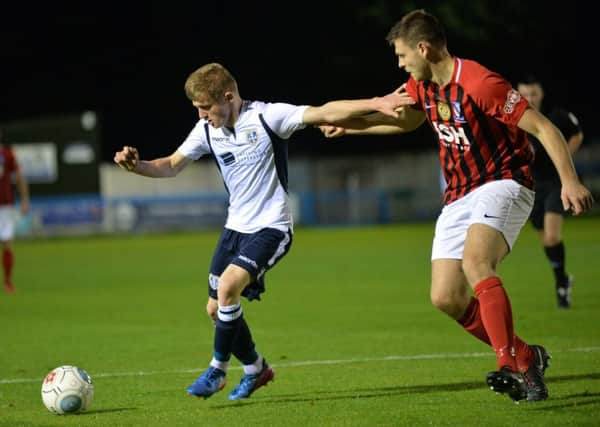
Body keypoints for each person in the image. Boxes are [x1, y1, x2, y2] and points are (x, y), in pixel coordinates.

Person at [319, 9, 594, 402]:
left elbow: (543, 128)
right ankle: (527, 356)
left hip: (504, 181)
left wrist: (569, 180)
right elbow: (407, 122)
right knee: (445, 297)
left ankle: (508, 366)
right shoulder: (423, 86)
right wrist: (351, 127)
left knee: (476, 263)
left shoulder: (481, 83)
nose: (400, 63)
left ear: (423, 48)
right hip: (458, 193)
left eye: (402, 55)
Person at [114, 62, 403, 400]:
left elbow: (324, 111)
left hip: (271, 227)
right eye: (197, 109)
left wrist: (376, 102)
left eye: (206, 107)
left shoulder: (268, 117)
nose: (201, 116)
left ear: (228, 96)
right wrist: (138, 166)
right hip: (234, 229)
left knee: (228, 287)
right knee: (215, 308)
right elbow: (171, 166)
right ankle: (256, 369)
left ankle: (217, 369)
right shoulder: (207, 131)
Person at [516, 75, 584, 309]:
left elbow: (577, 133)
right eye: (525, 94)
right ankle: (562, 278)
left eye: (534, 93)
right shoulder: (515, 120)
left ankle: (561, 286)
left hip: (557, 183)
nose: (530, 98)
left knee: (553, 235)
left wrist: (564, 161)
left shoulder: (555, 116)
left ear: (541, 93)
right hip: (531, 187)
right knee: (546, 239)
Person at [0, 129, 30, 293]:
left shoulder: (6, 154)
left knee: (7, 243)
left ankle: (7, 282)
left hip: (4, 205)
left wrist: (24, 199)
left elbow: (19, 177)